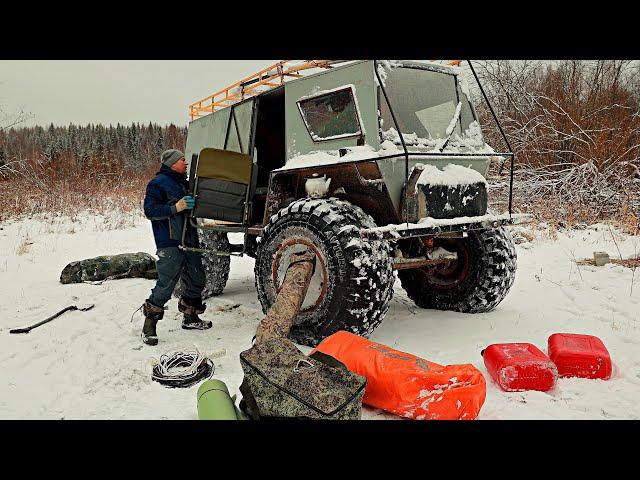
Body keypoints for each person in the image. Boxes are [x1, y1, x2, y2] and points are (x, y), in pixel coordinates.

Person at [140, 149, 212, 346]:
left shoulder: (184, 182)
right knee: (167, 282)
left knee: (197, 277)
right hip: (170, 240)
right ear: (172, 163)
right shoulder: (158, 183)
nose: (186, 163)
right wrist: (175, 208)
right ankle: (149, 326)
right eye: (182, 160)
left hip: (189, 238)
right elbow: (150, 210)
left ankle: (190, 318)